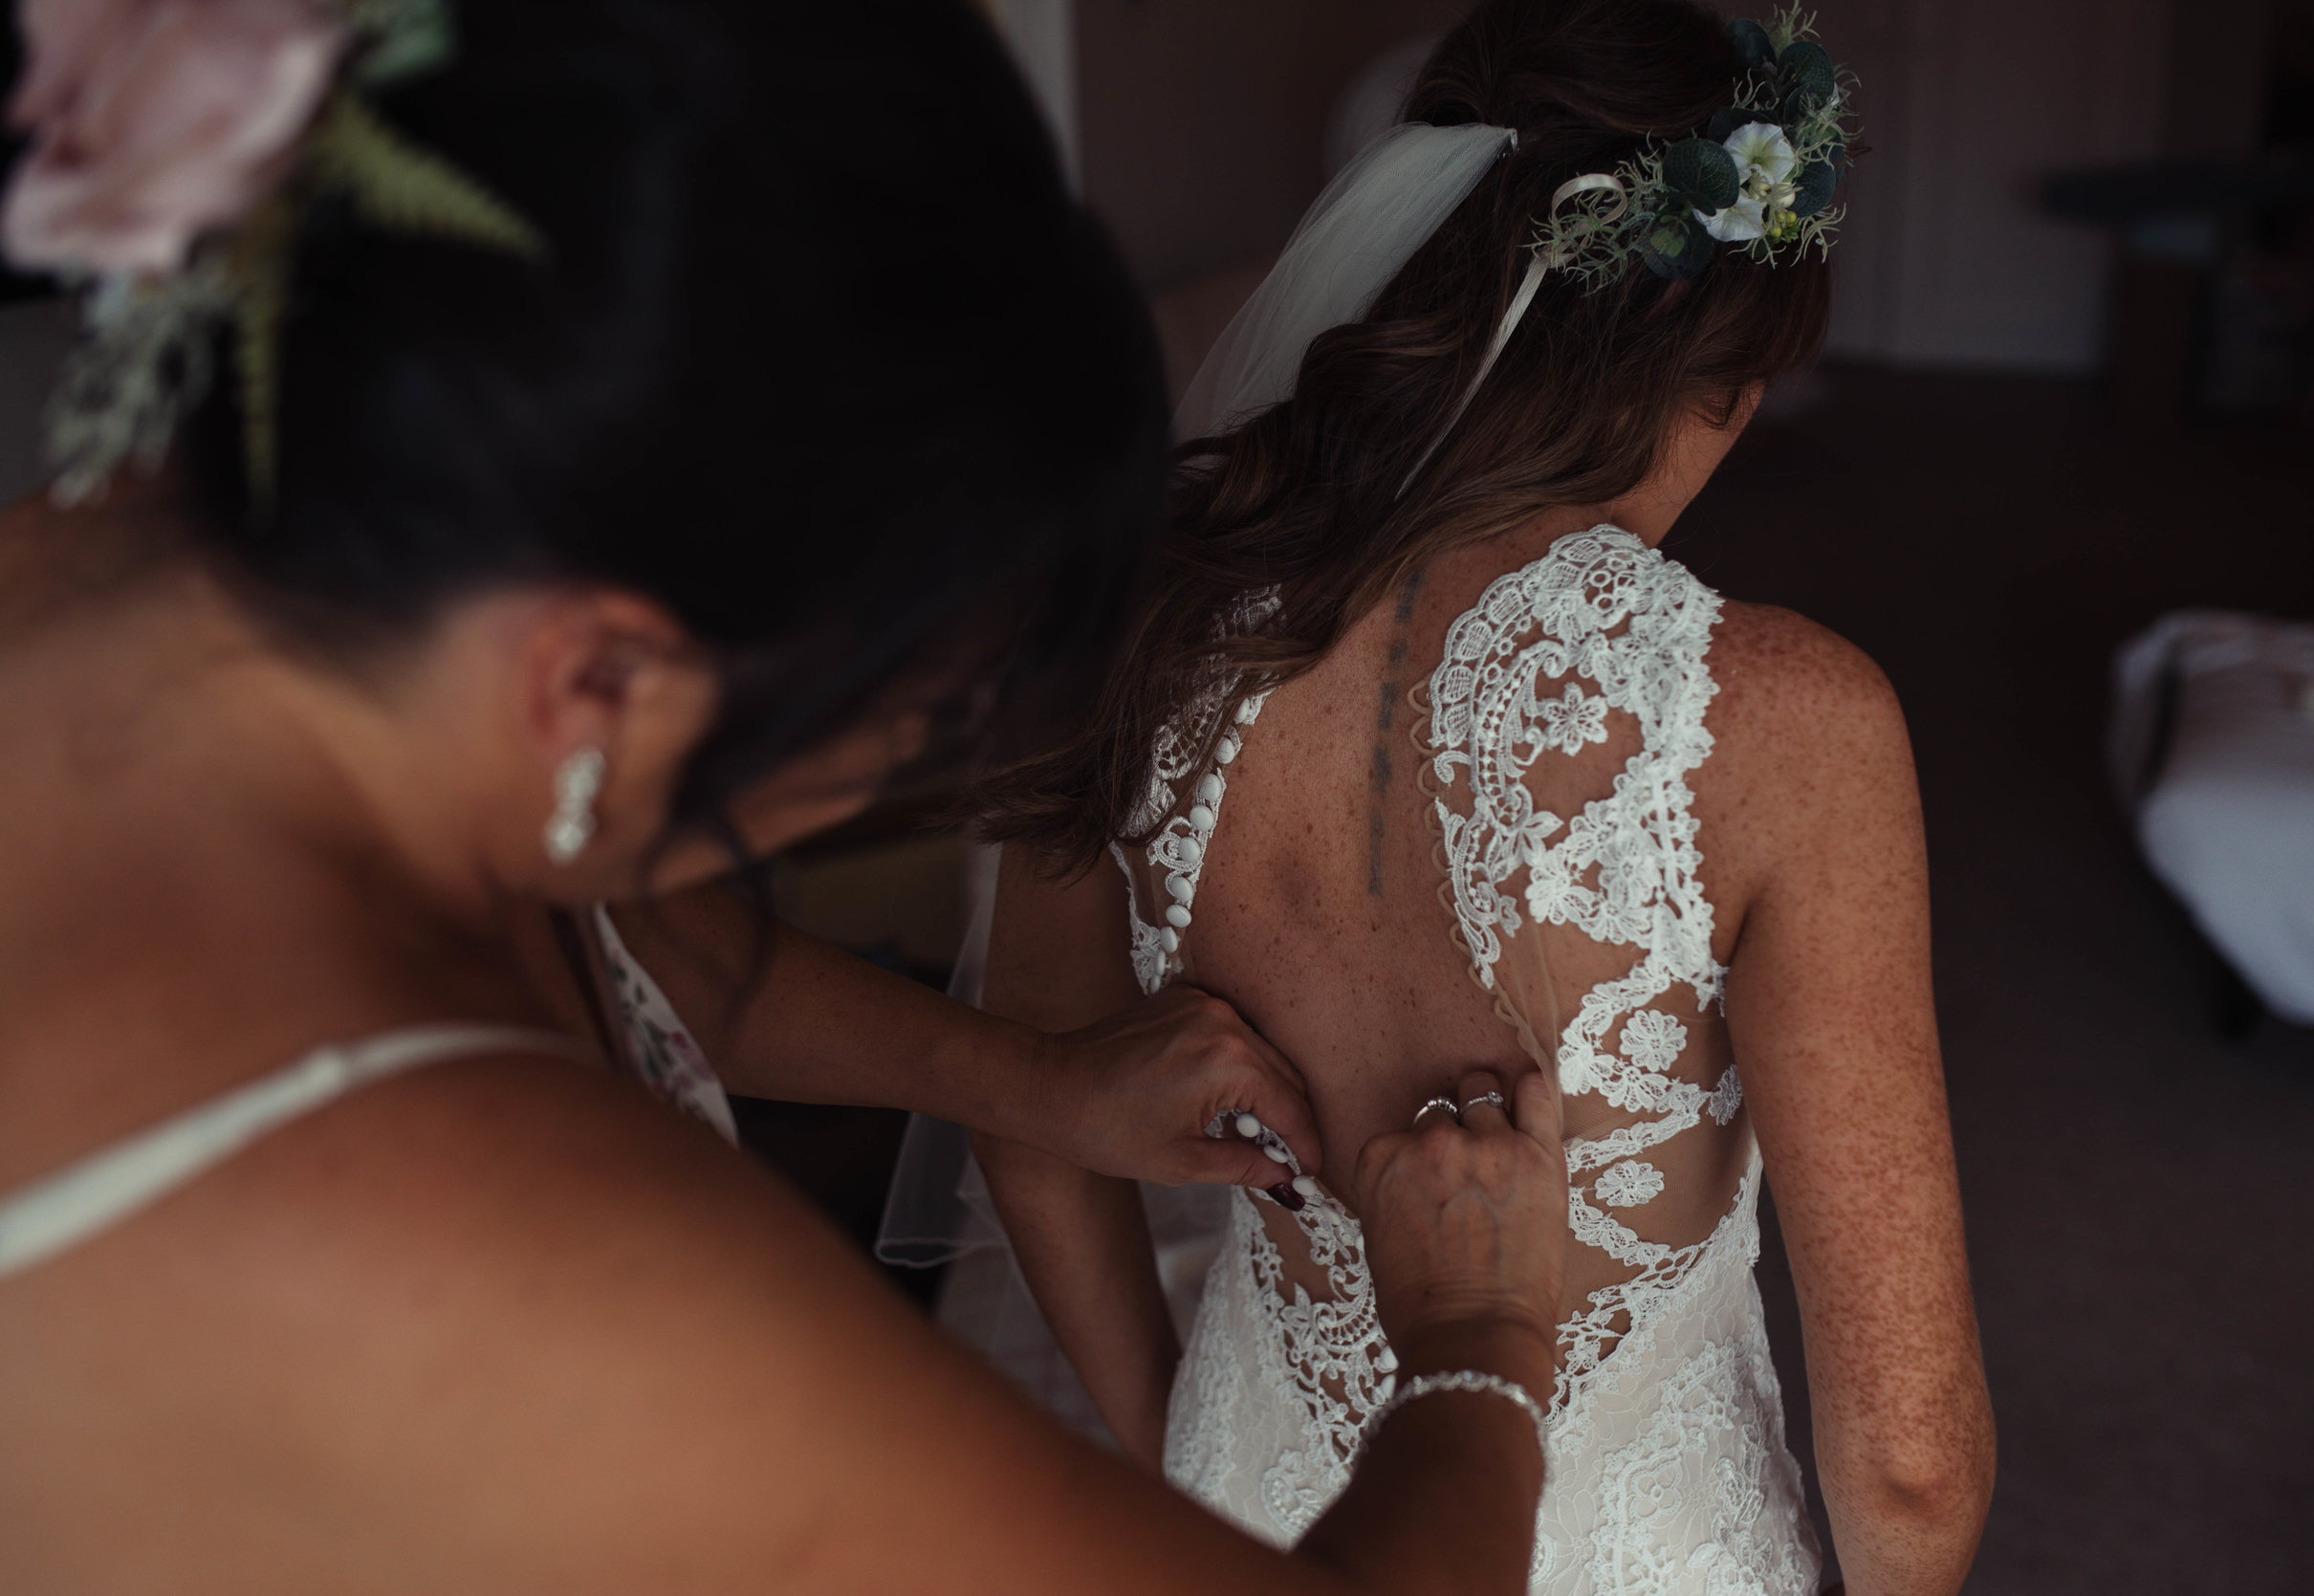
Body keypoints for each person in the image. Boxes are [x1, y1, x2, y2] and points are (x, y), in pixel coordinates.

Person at [0, 2, 1577, 1590]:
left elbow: (635, 952)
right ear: (606, 679)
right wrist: (1478, 1338)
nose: (885, 781)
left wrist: (1032, 1079)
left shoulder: (297, 576)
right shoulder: (486, 1231)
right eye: (903, 728)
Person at [969, 3, 1998, 1592]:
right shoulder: (1787, 722)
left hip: (1259, 1508)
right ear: (1731, 352)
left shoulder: (1140, 617)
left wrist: (1186, 1451)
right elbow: (1912, 1460)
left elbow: (1034, 1124)